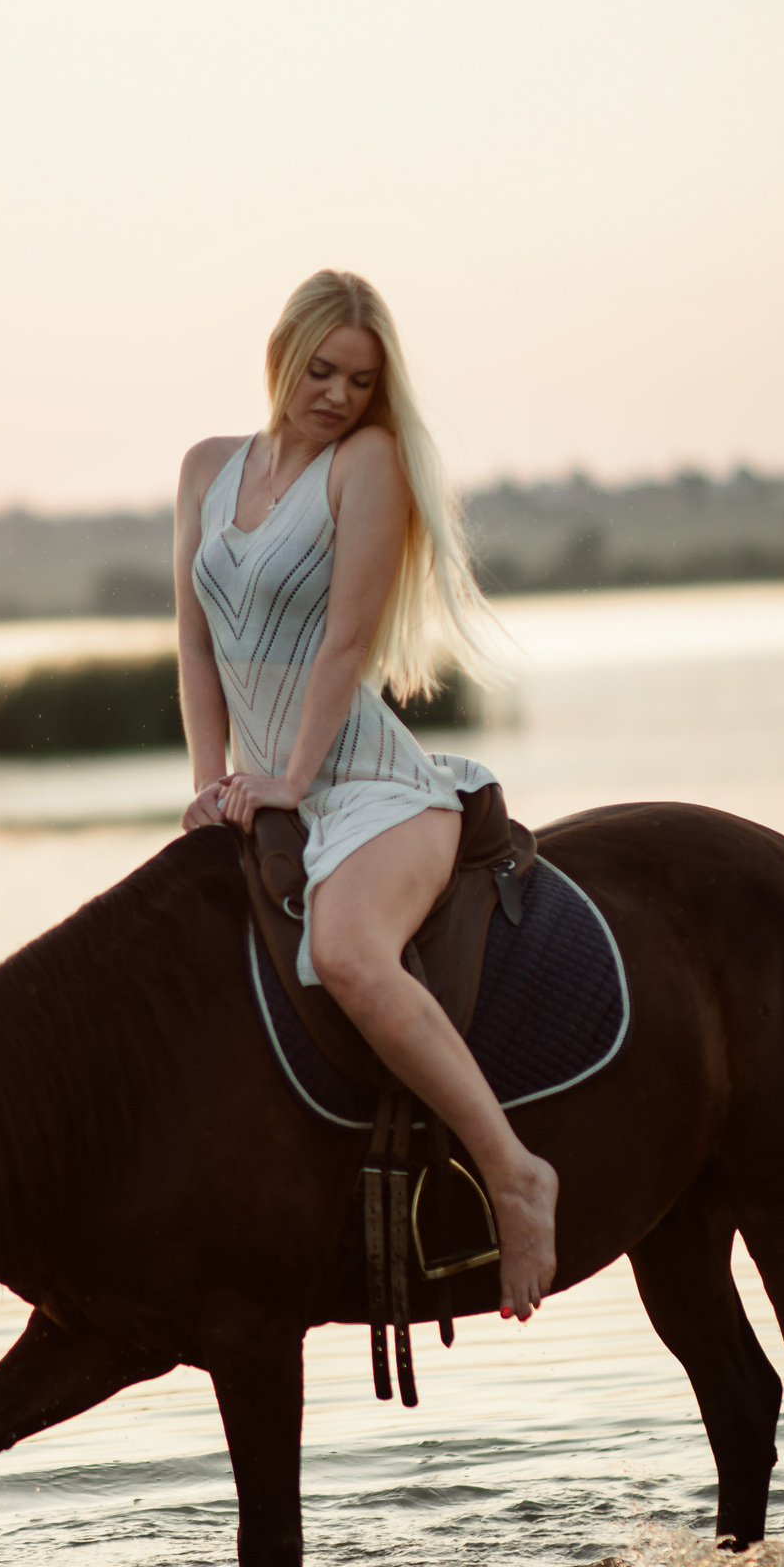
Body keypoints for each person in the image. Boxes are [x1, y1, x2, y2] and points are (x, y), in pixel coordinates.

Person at [174, 270, 559, 1320]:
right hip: (267, 784)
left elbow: (346, 638)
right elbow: (195, 644)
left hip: (375, 787)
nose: (338, 394)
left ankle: (515, 1173)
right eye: (322, 370)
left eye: (360, 380)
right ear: (281, 355)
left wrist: (291, 776)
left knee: (345, 952)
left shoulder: (368, 463)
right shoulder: (206, 469)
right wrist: (209, 786)